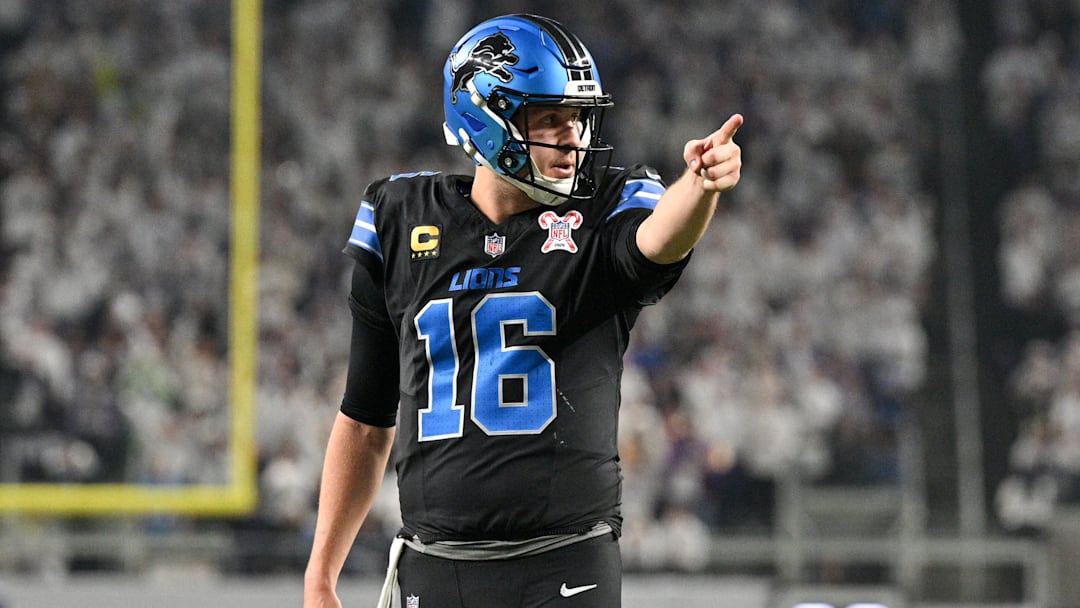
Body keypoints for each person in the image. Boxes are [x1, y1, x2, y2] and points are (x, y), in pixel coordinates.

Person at [303, 13, 742, 608]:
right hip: (437, 567)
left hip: (564, 561)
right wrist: (320, 575)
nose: (573, 137)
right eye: (551, 119)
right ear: (485, 118)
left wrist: (700, 185)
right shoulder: (399, 218)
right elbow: (363, 418)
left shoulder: (605, 205)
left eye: (578, 118)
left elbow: (656, 242)